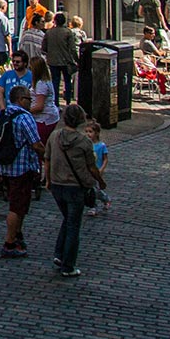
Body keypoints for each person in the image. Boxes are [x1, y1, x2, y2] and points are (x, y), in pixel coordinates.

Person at [44, 103, 105, 278]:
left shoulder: (54, 136)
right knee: (73, 225)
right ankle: (68, 265)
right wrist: (100, 181)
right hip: (75, 187)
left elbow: (47, 160)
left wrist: (48, 180)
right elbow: (92, 167)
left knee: (68, 219)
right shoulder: (83, 141)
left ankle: (59, 254)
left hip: (57, 185)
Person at [0, 85, 42, 258]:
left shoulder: (1, 115)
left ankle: (18, 235)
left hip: (5, 167)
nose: (30, 102)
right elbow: (36, 144)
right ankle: (9, 243)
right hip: (21, 168)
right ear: (20, 99)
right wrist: (48, 156)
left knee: (19, 204)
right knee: (16, 207)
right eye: (28, 99)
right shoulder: (25, 118)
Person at [43, 11, 78, 104]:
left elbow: (44, 48)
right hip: (66, 60)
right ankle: (68, 102)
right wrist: (77, 60)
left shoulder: (49, 32)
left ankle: (56, 102)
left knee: (55, 81)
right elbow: (72, 49)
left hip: (53, 60)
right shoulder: (68, 32)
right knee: (67, 81)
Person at [28, 54, 60, 140]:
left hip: (44, 118)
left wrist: (25, 111)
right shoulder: (45, 81)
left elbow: (39, 106)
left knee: (40, 142)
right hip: (47, 117)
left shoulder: (41, 84)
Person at [84, 119, 109, 216]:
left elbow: (105, 159)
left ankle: (98, 203)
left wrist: (102, 169)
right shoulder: (86, 144)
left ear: (97, 133)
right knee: (91, 189)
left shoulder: (101, 146)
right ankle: (93, 205)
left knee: (95, 190)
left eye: (90, 132)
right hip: (88, 171)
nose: (88, 134)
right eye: (86, 132)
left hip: (97, 170)